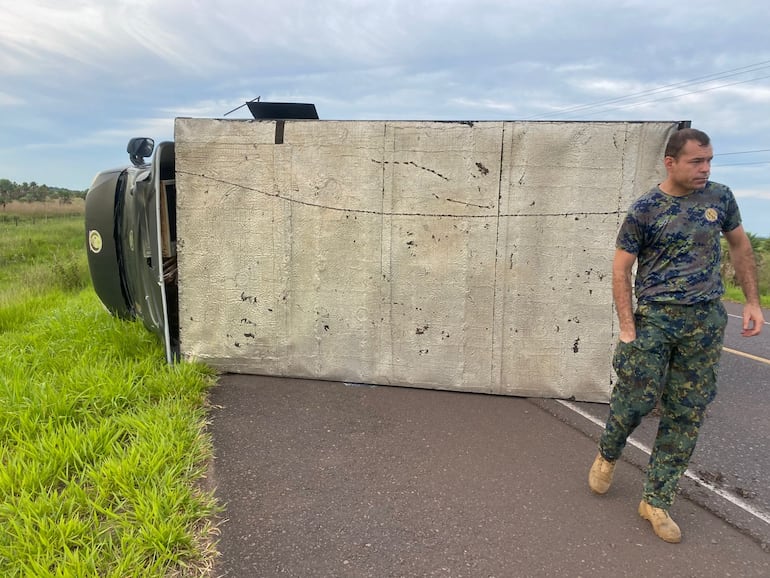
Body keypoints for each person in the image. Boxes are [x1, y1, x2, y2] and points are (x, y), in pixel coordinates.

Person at [588, 127, 765, 543]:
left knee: (687, 411)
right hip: (655, 321)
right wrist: (628, 327)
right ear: (671, 162)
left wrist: (753, 301)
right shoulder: (646, 210)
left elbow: (739, 246)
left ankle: (656, 498)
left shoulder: (719, 198)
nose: (705, 169)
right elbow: (620, 269)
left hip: (703, 322)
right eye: (696, 162)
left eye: (709, 161)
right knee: (635, 402)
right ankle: (608, 453)